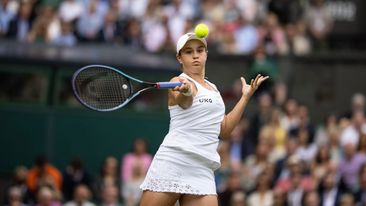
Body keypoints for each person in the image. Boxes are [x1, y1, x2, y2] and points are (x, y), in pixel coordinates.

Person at [139, 31, 268, 206]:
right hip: (175, 160)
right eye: (188, 52)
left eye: (200, 50)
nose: (195, 56)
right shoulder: (177, 81)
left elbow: (225, 130)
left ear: (206, 54)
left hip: (203, 168)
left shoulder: (214, 90)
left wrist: (245, 97)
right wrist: (186, 92)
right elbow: (185, 102)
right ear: (179, 58)